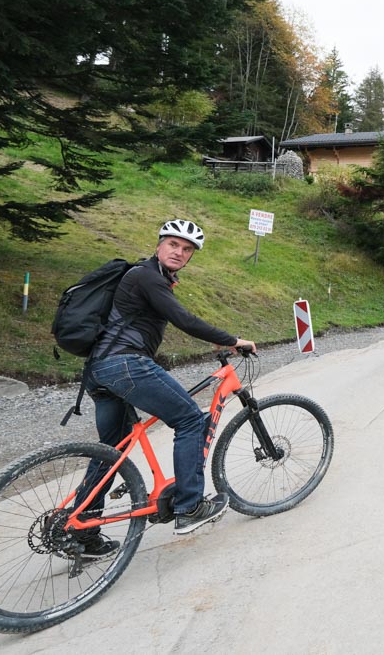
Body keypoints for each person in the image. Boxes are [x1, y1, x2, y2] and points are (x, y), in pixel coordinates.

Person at [80, 219, 257, 551]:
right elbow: (184, 319)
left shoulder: (150, 278)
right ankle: (190, 507)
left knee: (111, 452)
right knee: (190, 419)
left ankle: (79, 528)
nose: (179, 252)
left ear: (190, 257)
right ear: (159, 245)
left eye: (187, 249)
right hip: (124, 364)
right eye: (174, 245)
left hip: (100, 369)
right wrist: (233, 340)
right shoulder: (147, 276)